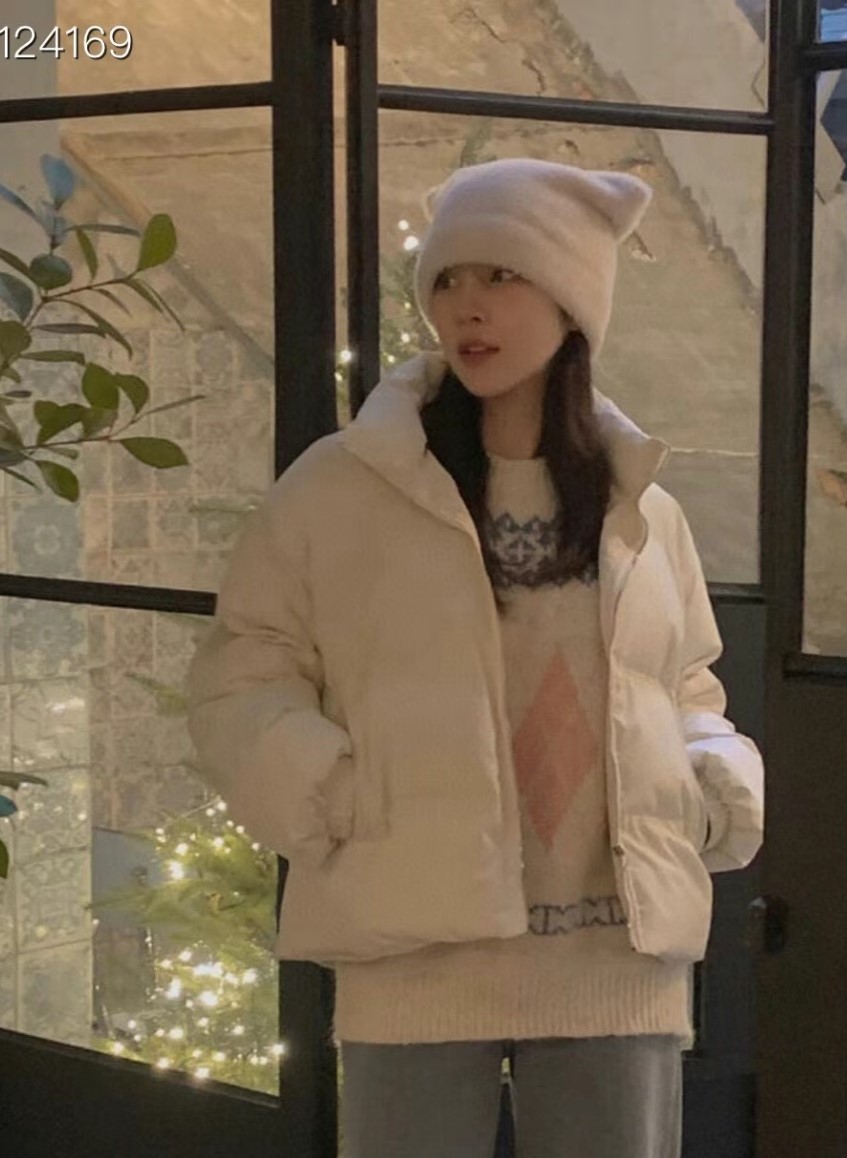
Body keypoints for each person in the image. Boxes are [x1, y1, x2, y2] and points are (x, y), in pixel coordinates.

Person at [185, 157, 764, 1158]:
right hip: (411, 941)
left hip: (614, 956)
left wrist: (707, 780)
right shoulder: (344, 487)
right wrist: (334, 791)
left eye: (503, 274)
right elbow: (246, 666)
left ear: (574, 301)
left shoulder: (641, 507)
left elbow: (684, 682)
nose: (467, 306)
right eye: (447, 280)